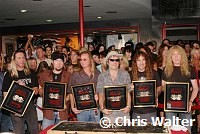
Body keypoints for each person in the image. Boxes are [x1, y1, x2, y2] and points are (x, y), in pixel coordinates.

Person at [162, 45, 198, 133]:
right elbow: (163, 88)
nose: (176, 57)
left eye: (178, 54)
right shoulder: (166, 70)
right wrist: (169, 90)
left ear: (182, 55)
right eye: (173, 55)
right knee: (170, 131)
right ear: (170, 56)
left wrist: (190, 102)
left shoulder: (190, 69)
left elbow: (196, 88)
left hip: (186, 106)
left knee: (187, 130)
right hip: (170, 106)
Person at [2, 50, 39, 134]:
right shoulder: (9, 74)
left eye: (23, 58)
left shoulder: (31, 72)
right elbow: (5, 94)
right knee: (19, 131)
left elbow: (36, 91)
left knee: (34, 130)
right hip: (16, 106)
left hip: (30, 105)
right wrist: (14, 109)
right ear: (14, 60)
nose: (21, 60)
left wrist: (24, 88)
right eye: (19, 58)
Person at [38, 51, 71, 130]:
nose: (58, 63)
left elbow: (71, 92)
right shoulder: (44, 75)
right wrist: (45, 95)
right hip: (48, 112)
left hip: (63, 112)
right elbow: (39, 89)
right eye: (56, 61)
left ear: (63, 63)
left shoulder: (68, 75)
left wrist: (64, 102)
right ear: (52, 62)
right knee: (47, 131)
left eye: (61, 61)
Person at [97, 51, 131, 123]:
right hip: (108, 114)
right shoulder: (102, 76)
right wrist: (102, 109)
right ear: (107, 62)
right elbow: (100, 94)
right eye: (112, 60)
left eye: (117, 60)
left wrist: (128, 106)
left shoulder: (125, 74)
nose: (114, 62)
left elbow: (128, 92)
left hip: (123, 113)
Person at [68, 51, 100, 122]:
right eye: (81, 60)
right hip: (81, 110)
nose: (82, 62)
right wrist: (73, 107)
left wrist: (98, 95)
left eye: (85, 59)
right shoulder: (75, 74)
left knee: (96, 131)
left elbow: (102, 90)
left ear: (90, 61)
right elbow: (70, 92)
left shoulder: (98, 74)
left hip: (95, 108)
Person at [131, 51, 161, 122]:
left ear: (146, 61)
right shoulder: (130, 74)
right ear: (135, 62)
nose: (141, 63)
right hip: (136, 111)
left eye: (143, 60)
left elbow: (159, 87)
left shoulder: (153, 73)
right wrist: (130, 89)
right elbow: (127, 91)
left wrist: (155, 96)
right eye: (138, 60)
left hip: (150, 110)